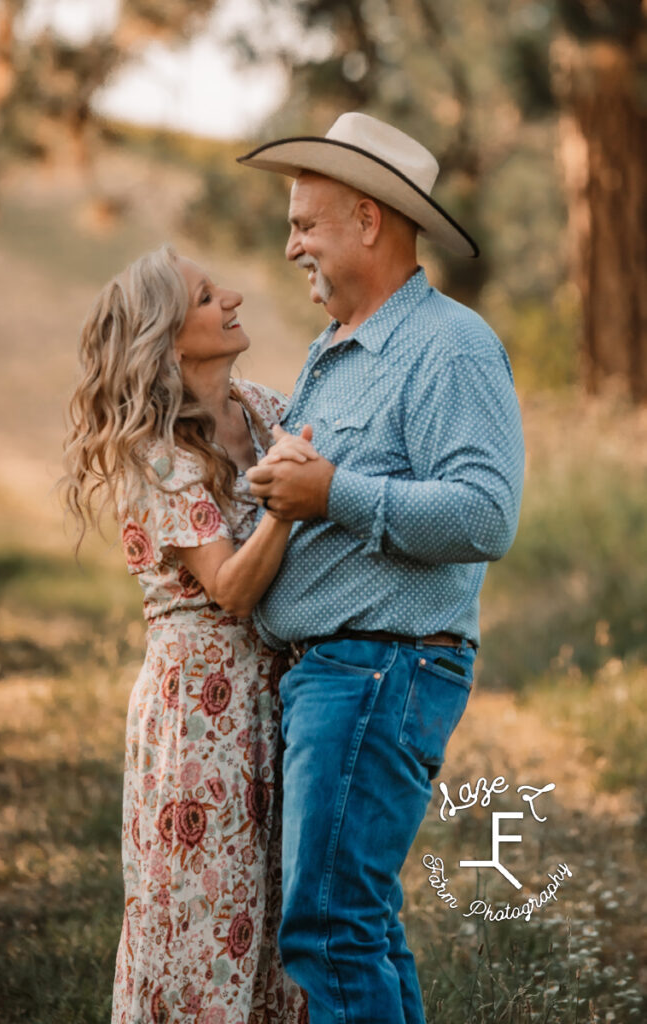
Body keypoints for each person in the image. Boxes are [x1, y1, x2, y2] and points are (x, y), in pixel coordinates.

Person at [237, 112, 526, 1023]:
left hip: (380, 667)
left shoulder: (451, 345)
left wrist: (334, 495)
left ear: (367, 220)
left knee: (327, 929)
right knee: (354, 924)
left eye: (303, 224)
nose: (290, 248)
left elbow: (486, 514)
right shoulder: (332, 352)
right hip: (338, 673)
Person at [61, 244, 310, 1024]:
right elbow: (231, 589)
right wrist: (286, 502)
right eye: (208, 296)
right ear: (168, 338)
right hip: (196, 717)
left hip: (277, 695)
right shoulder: (155, 458)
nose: (232, 296)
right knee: (204, 914)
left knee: (273, 911)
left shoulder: (267, 411)